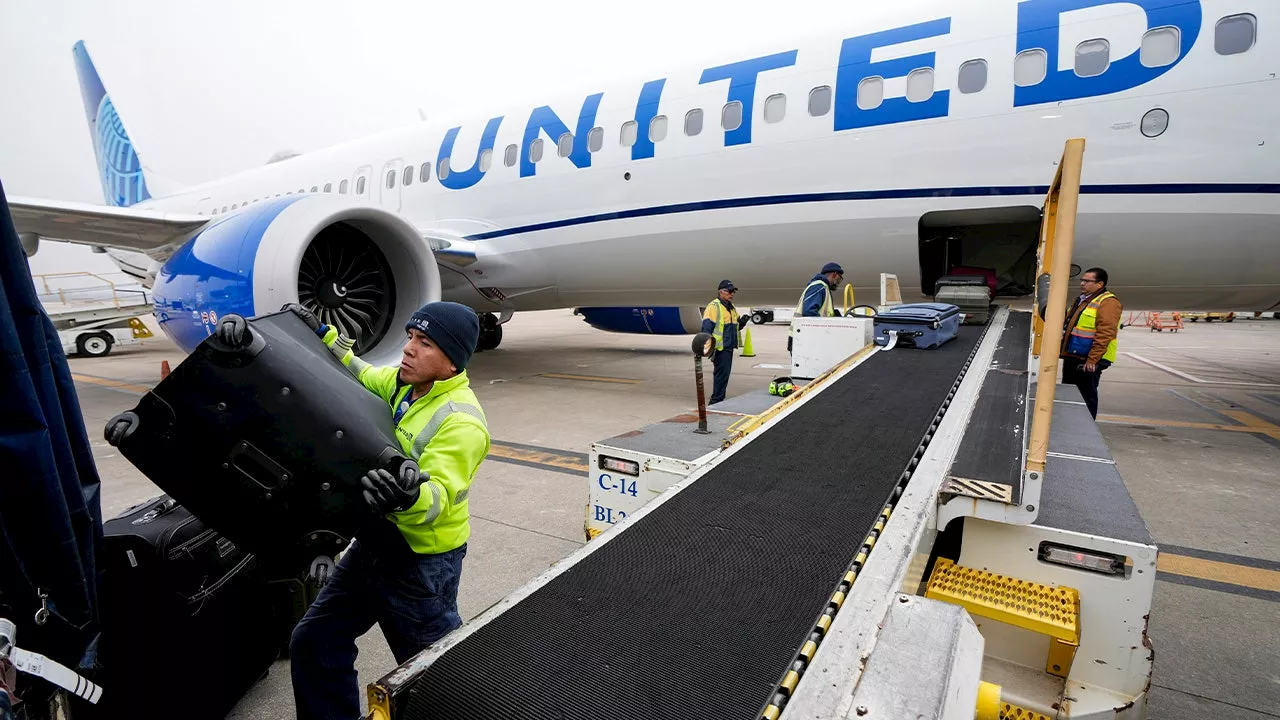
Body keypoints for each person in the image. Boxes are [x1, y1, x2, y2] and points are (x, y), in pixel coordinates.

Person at [104, 301, 490, 720]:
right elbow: (353, 373)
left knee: (431, 669)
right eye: (411, 337)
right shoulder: (400, 384)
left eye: (426, 343)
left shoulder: (462, 422)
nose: (409, 349)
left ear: (452, 362)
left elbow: (441, 498)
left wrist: (406, 496)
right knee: (315, 639)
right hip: (373, 542)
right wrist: (308, 335)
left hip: (420, 562)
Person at [1060, 267, 1121, 419]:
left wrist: (1093, 359)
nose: (1082, 283)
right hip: (1074, 356)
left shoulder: (1108, 302)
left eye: (1087, 281)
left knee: (1085, 397)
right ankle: (1069, 424)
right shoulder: (1082, 300)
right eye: (1082, 280)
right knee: (1069, 393)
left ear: (1099, 284)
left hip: (1089, 359)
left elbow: (1106, 332)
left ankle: (1084, 427)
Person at [701, 280, 749, 404]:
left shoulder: (731, 308)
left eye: (733, 291)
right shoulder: (714, 307)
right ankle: (716, 401)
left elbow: (735, 327)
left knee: (724, 375)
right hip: (719, 348)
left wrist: (742, 322)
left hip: (728, 347)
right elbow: (706, 329)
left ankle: (719, 398)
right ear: (721, 292)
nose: (731, 294)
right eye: (729, 291)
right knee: (721, 375)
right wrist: (708, 348)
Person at [789, 262, 844, 352]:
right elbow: (809, 312)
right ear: (834, 275)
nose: (838, 282)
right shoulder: (819, 287)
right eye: (839, 278)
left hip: (805, 338)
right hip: (803, 339)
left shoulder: (823, 287)